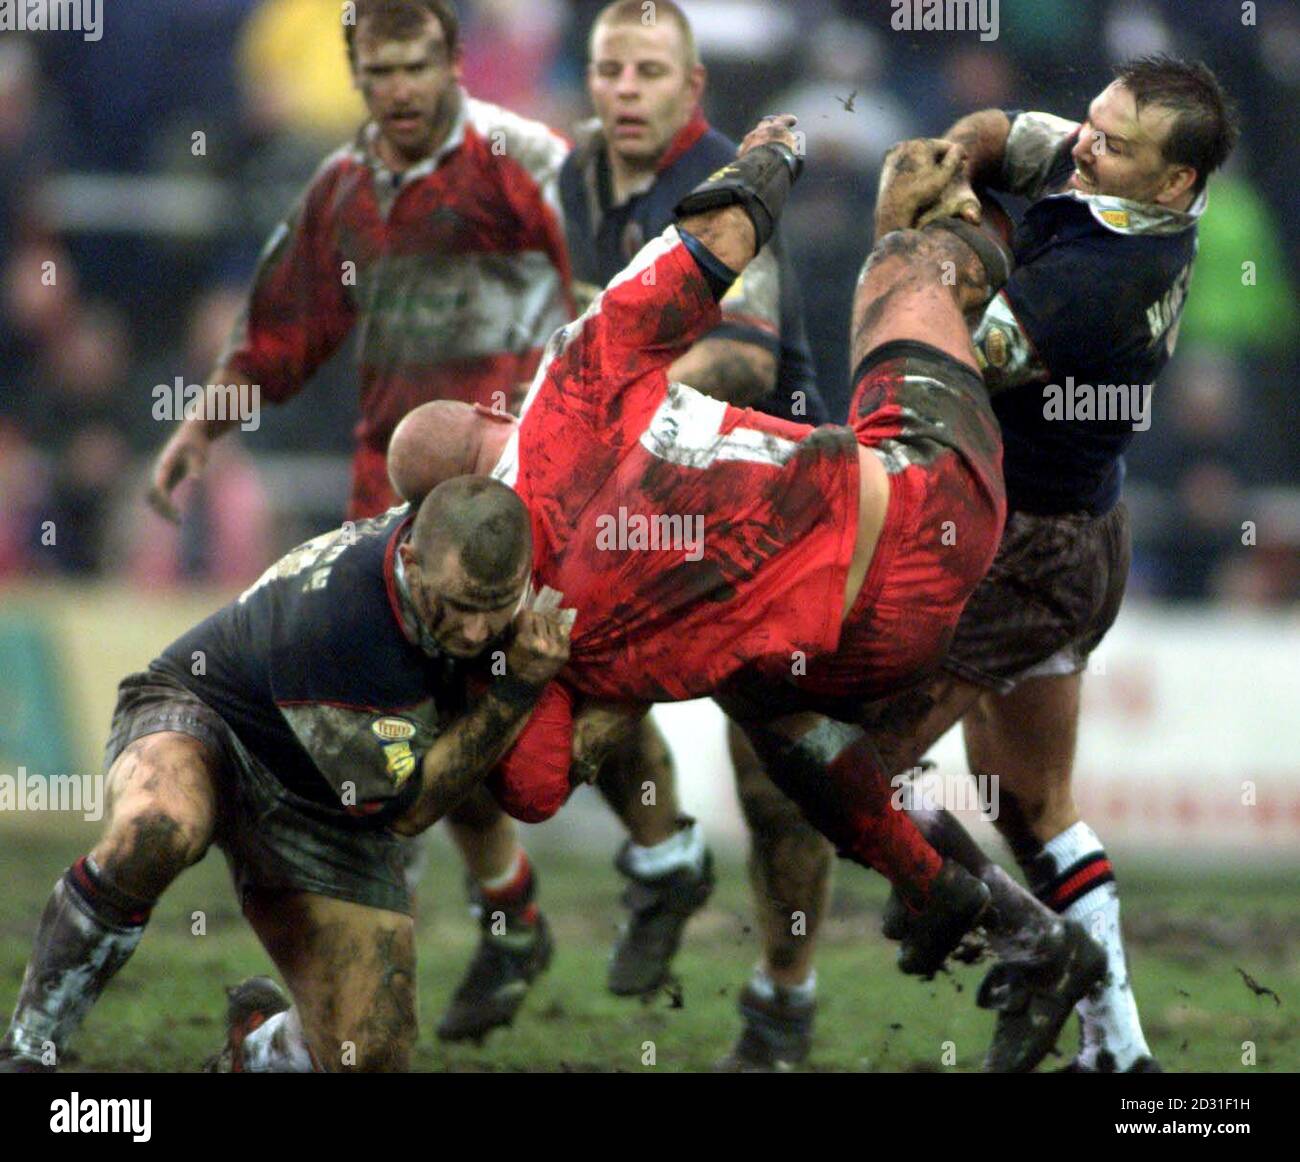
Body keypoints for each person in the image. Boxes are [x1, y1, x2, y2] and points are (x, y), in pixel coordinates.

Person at [392, 117, 1110, 1072]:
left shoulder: (526, 620)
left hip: (863, 646)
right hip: (934, 507)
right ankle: (1019, 203)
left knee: (776, 713)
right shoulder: (574, 371)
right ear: (494, 410)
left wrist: (531, 680)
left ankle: (974, 909)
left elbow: (532, 789)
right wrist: (774, 153)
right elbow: (722, 239)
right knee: (902, 262)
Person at [764, 55, 1238, 1073]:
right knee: (1030, 800)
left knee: (843, 761)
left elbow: (932, 358)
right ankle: (1119, 1055)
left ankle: (1031, 945)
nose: (1082, 144)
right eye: (1093, 122)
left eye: (1112, 144)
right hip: (1075, 531)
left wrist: (907, 232)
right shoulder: (1107, 173)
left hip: (1021, 549)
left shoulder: (1099, 284)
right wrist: (955, 160)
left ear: (1173, 185)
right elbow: (994, 127)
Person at [146, 0, 574, 1045]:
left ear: (453, 61)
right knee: (385, 785)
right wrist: (204, 423)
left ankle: (605, 881)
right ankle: (453, 948)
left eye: (416, 63)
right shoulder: (340, 191)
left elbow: (612, 288)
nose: (399, 88)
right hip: (388, 525)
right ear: (355, 70)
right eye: (377, 68)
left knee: (501, 731)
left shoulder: (532, 165)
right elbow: (281, 332)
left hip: (522, 495)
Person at [0, 478, 573, 1073]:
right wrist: (516, 691)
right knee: (159, 826)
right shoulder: (345, 620)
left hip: (327, 801)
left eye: (494, 606)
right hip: (210, 716)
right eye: (456, 606)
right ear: (409, 561)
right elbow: (416, 809)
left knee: (370, 1055)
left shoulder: (478, 564)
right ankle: (29, 1046)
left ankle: (253, 1051)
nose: (477, 631)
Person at [555, 0, 832, 1005]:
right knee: (571, 673)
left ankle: (782, 995)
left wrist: (600, 412)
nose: (624, 90)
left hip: (769, 507)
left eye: (646, 73)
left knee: (773, 778)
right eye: (608, 70)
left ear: (690, 87)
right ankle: (666, 861)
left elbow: (744, 360)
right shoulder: (571, 177)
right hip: (645, 498)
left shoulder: (722, 186)